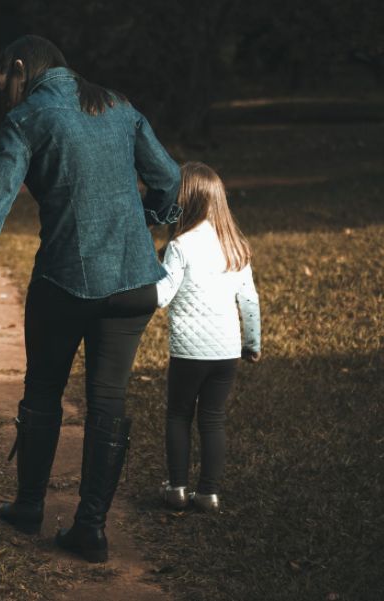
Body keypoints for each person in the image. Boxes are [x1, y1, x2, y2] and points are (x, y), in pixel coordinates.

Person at [0, 35, 181, 563]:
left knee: (43, 391)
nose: (5, 93)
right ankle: (91, 529)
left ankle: (28, 507)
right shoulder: (118, 105)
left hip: (64, 283)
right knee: (108, 401)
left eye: (5, 81)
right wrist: (144, 222)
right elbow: (171, 181)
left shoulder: (27, 118)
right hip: (134, 283)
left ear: (20, 68)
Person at [155, 162, 261, 513]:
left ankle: (177, 489)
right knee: (213, 418)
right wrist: (252, 344)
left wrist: (145, 275)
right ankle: (208, 494)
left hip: (188, 352)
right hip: (226, 352)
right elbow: (249, 301)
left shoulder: (180, 246)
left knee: (179, 415)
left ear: (184, 201)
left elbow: (162, 297)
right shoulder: (235, 246)